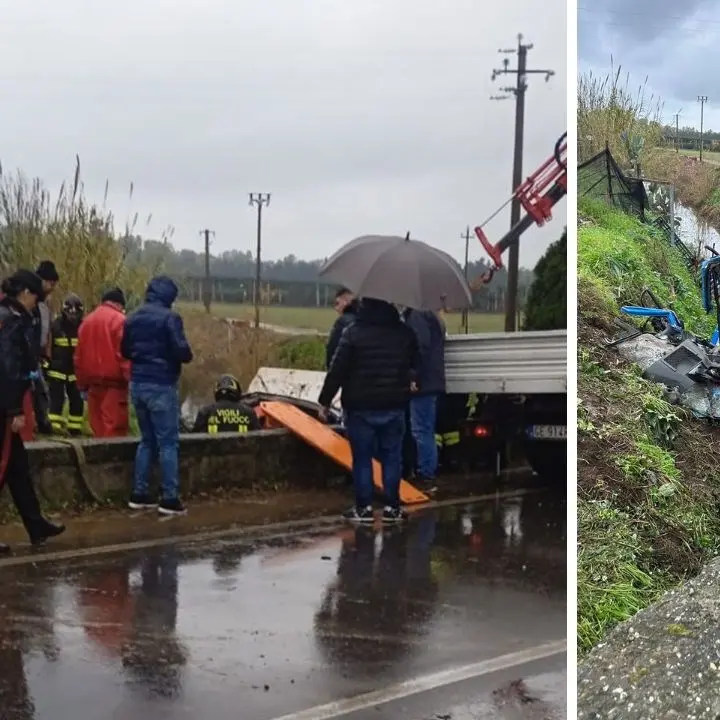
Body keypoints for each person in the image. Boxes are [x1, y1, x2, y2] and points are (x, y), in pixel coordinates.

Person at [318, 297, 419, 524]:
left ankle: (363, 509)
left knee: (362, 459)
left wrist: (324, 401)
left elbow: (337, 370)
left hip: (359, 406)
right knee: (393, 458)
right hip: (394, 404)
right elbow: (415, 363)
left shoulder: (353, 332)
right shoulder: (403, 333)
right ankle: (392, 508)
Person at [0, 270, 66, 553]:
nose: (36, 304)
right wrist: (15, 409)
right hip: (5, 406)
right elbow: (8, 368)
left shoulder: (8, 316)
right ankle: (35, 523)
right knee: (4, 466)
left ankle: (35, 523)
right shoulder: (11, 322)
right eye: (35, 298)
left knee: (18, 468)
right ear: (25, 293)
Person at [121, 276, 193, 516]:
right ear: (170, 297)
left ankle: (139, 494)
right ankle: (169, 498)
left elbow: (125, 350)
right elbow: (182, 351)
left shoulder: (132, 317)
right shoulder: (170, 319)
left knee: (146, 440)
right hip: (161, 384)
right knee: (168, 442)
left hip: (138, 383)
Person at [75, 288, 131, 438]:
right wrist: (131, 378)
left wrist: (81, 384)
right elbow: (124, 354)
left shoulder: (87, 321)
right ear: (119, 304)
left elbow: (78, 356)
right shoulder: (120, 321)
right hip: (115, 385)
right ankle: (113, 460)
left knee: (97, 427)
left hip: (93, 385)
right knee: (115, 428)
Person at [403, 308, 446, 493]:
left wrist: (414, 376)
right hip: (431, 380)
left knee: (421, 430)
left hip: (424, 383)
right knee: (426, 429)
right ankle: (427, 473)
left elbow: (420, 346)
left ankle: (425, 475)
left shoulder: (417, 315)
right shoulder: (431, 315)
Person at [47, 293, 85, 436]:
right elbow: (48, 346)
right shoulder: (56, 326)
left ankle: (75, 428)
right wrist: (47, 364)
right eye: (70, 311)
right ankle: (54, 427)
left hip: (75, 371)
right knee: (57, 399)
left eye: (76, 312)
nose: (73, 315)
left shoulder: (83, 327)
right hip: (57, 370)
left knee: (77, 400)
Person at [31, 260, 60, 435]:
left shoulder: (46, 303)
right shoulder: (31, 299)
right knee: (37, 389)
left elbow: (47, 327)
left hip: (38, 353)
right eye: (51, 283)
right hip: (29, 353)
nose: (53, 288)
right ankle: (41, 422)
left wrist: (47, 350)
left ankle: (42, 421)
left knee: (41, 389)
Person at [192, 374, 261, 433]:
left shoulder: (205, 412)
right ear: (237, 391)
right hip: (241, 449)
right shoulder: (249, 412)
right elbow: (259, 439)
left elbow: (193, 442)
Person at [325, 287, 358, 369]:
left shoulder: (343, 322)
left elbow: (333, 349)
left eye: (337, 303)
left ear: (346, 301)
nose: (336, 308)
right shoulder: (364, 320)